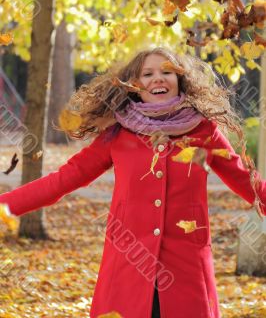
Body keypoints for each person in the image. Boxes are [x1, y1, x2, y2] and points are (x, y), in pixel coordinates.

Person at [0, 46, 265, 318]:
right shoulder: (117, 132)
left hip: (188, 270)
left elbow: (248, 182)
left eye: (167, 72)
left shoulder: (204, 130)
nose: (158, 78)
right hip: (128, 265)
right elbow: (63, 180)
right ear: (135, 86)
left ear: (180, 80)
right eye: (147, 74)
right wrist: (4, 207)